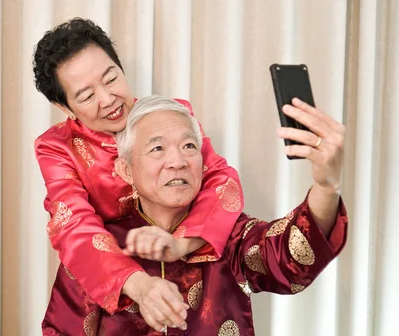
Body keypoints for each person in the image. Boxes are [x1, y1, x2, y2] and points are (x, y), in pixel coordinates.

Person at [42, 96, 348, 335]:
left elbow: (291, 255)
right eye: (157, 148)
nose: (177, 161)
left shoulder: (230, 235)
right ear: (126, 170)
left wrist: (326, 185)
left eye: (189, 146)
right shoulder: (101, 251)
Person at [33, 18, 245, 329]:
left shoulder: (167, 116)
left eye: (111, 78)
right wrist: (138, 285)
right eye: (86, 96)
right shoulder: (57, 147)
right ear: (63, 106)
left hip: (187, 266)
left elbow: (220, 180)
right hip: (109, 281)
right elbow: (72, 223)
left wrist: (182, 245)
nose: (108, 100)